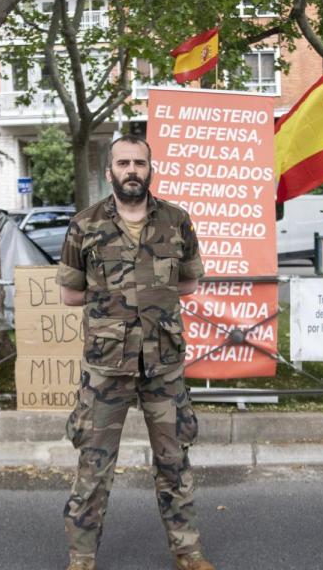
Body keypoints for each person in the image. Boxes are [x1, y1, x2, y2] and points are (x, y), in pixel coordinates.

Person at [57, 135, 213, 570]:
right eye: (123, 163)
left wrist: (151, 297)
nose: (131, 170)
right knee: (94, 466)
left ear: (150, 169)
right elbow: (70, 294)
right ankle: (81, 558)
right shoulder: (84, 225)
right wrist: (118, 301)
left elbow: (189, 282)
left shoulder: (176, 221)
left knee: (174, 461)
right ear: (109, 171)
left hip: (163, 363)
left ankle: (188, 552)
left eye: (139, 163)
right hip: (106, 367)